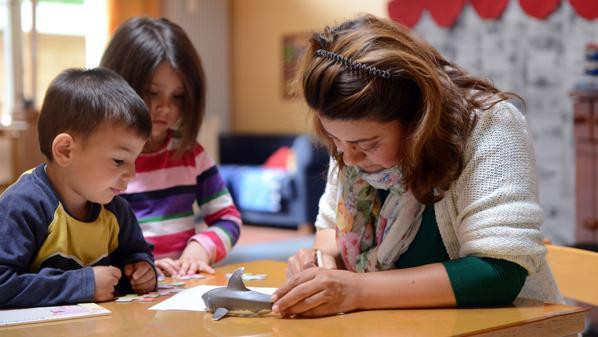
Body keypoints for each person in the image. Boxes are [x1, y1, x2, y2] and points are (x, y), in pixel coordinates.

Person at [271, 14, 562, 317]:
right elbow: (330, 230)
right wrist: (318, 264)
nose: (349, 158)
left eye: (368, 144)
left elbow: (499, 272)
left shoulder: (488, 125)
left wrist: (357, 291)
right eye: (336, 140)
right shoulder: (350, 143)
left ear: (417, 120)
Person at [0, 68, 156, 308]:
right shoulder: (23, 205)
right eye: (118, 160)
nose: (132, 174)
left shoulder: (116, 211)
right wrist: (82, 285)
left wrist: (142, 269)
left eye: (135, 160)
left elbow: (136, 253)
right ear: (65, 150)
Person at [100, 17, 242, 277]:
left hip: (179, 286)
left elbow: (228, 218)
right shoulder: (102, 161)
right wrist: (134, 266)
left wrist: (201, 249)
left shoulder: (191, 155)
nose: (165, 108)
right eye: (152, 93)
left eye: (178, 97)